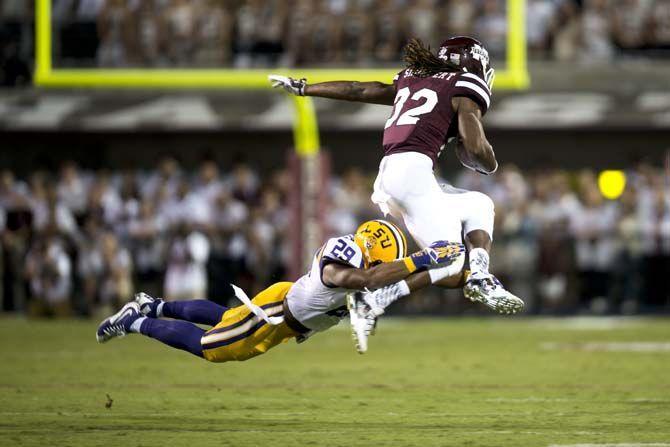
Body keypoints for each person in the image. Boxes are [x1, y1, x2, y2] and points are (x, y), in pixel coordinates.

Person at [269, 37, 524, 322]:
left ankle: (479, 274)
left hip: (393, 173)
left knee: (478, 204)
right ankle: (376, 299)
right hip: (413, 173)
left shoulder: (413, 78)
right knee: (449, 258)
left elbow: (360, 89)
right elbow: (476, 148)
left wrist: (305, 87)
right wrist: (490, 164)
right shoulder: (465, 85)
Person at [96, 220, 465, 362]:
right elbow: (365, 280)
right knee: (211, 348)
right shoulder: (347, 261)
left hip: (287, 311)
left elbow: (398, 281)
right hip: (276, 315)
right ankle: (135, 321)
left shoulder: (365, 259)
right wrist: (423, 259)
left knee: (227, 318)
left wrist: (456, 272)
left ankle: (155, 305)